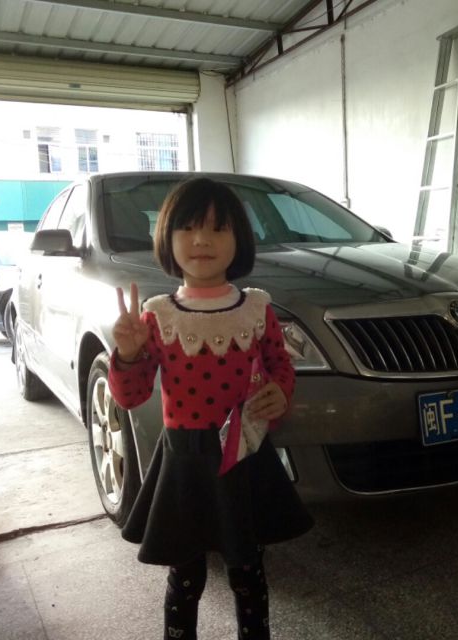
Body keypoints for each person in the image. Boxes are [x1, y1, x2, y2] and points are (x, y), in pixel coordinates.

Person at [108, 177, 314, 640]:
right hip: (183, 465)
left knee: (248, 571)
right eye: (188, 227)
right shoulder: (157, 316)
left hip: (243, 458)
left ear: (239, 240)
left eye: (218, 229)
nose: (201, 240)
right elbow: (131, 396)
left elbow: (280, 368)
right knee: (185, 577)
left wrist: (281, 393)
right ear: (167, 237)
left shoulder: (257, 309)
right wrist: (129, 354)